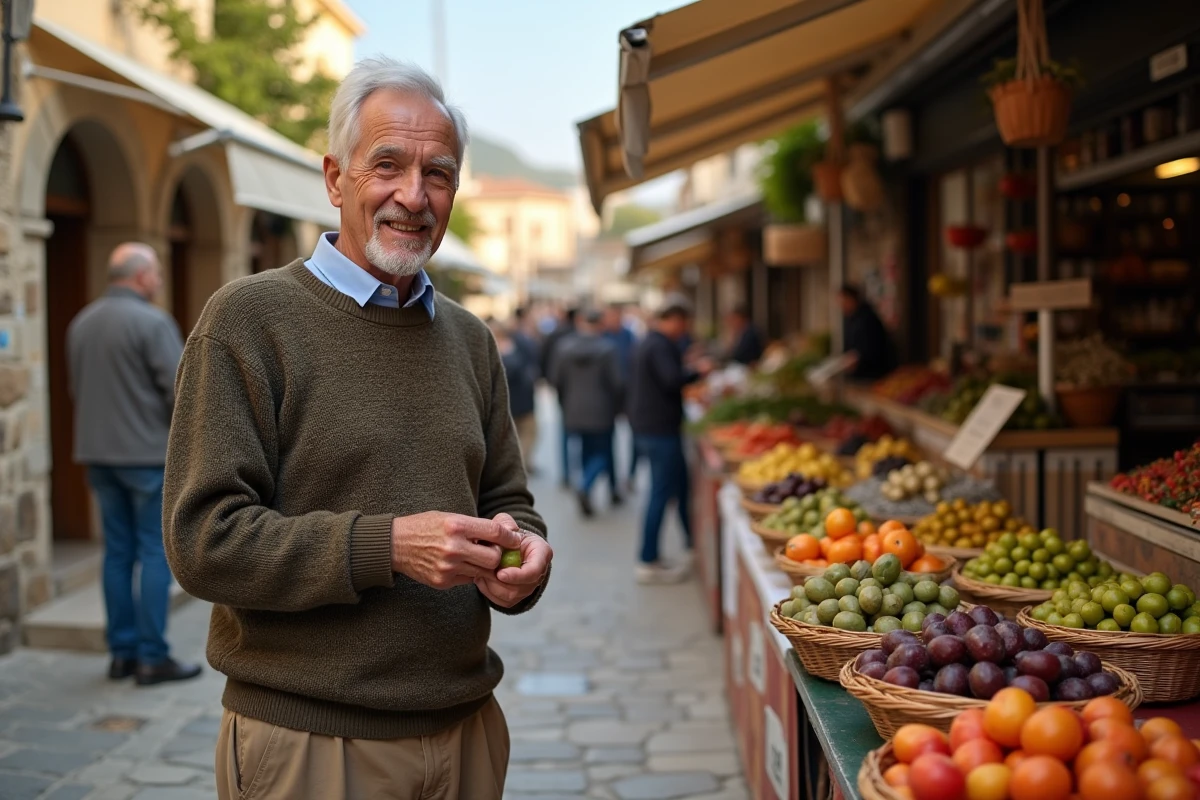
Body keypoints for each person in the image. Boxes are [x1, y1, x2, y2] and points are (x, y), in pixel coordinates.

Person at [162, 57, 552, 800]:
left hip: (466, 731)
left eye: (438, 174)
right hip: (312, 743)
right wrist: (390, 546)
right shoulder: (248, 320)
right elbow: (203, 542)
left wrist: (523, 561)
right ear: (336, 179)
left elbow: (508, 500)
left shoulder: (470, 339)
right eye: (388, 165)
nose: (414, 195)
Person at [66, 243, 201, 686]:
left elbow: (76, 388)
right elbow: (182, 394)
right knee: (153, 551)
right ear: (141, 276)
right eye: (157, 272)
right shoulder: (153, 322)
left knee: (117, 553)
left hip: (97, 455)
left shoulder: (81, 322)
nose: (159, 280)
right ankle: (152, 656)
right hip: (145, 456)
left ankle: (121, 653)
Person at [627, 295, 711, 584]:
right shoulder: (659, 344)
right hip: (659, 429)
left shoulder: (649, 342)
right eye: (684, 323)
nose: (685, 329)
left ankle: (689, 546)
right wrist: (697, 372)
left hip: (652, 427)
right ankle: (648, 559)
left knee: (677, 487)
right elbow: (672, 380)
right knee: (661, 493)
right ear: (674, 319)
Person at [550, 310, 624, 517]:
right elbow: (617, 382)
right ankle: (586, 485)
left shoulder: (564, 347)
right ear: (599, 325)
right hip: (601, 410)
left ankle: (588, 491)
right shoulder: (607, 349)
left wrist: (566, 402)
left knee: (585, 452)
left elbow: (556, 379)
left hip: (573, 408)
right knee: (603, 454)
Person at [488, 317, 539, 474]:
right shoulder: (509, 348)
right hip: (511, 402)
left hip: (514, 401)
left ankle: (518, 465)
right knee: (522, 435)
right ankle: (517, 466)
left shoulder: (510, 346)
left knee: (524, 434)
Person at [541, 306, 579, 488]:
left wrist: (550, 381)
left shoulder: (555, 334)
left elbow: (544, 358)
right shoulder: (577, 335)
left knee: (565, 431)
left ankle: (566, 473)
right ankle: (577, 472)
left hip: (564, 389)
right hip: (579, 390)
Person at [840, 285, 897, 380]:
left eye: (843, 301)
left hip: (872, 373)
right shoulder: (850, 319)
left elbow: (873, 346)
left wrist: (858, 358)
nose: (841, 306)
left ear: (851, 299)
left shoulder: (867, 318)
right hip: (859, 373)